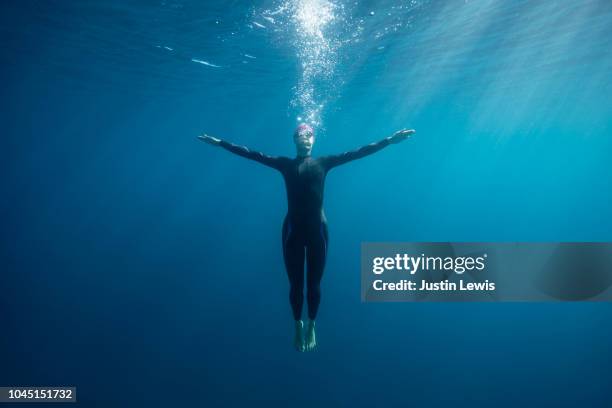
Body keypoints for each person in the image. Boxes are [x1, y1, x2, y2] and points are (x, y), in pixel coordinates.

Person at [198, 124, 414, 351]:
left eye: (309, 135)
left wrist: (389, 140)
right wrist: (220, 143)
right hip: (292, 229)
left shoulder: (324, 163)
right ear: (295, 139)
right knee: (295, 284)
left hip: (317, 230)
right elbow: (252, 154)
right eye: (301, 135)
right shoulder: (284, 164)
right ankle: (297, 323)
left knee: (314, 283)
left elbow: (358, 152)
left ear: (314, 139)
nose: (306, 139)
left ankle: (312, 323)